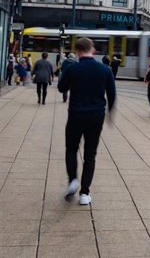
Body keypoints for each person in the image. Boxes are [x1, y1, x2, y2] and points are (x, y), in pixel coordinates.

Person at [58, 37, 116, 206]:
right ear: (93, 50)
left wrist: (66, 69)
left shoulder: (72, 68)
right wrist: (110, 114)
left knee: (71, 149)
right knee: (90, 154)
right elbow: (112, 94)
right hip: (96, 116)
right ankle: (84, 193)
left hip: (75, 114)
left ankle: (73, 180)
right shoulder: (105, 69)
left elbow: (62, 88)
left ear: (77, 51)